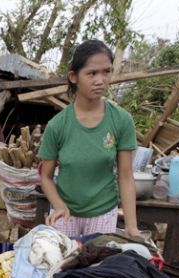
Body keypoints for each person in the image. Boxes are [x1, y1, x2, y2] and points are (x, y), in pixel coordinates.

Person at [38, 40, 140, 238]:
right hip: (65, 213)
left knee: (96, 266)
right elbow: (46, 176)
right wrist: (58, 206)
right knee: (62, 265)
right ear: (73, 76)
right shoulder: (57, 126)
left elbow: (126, 176)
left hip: (103, 213)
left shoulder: (121, 120)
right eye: (92, 73)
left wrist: (131, 226)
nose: (100, 80)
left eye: (106, 72)